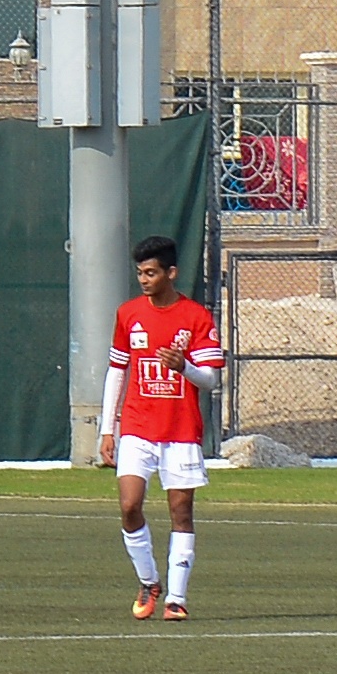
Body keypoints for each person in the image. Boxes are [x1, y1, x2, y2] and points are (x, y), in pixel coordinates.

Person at [108, 234, 224, 621]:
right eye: (140, 273)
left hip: (180, 431)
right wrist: (108, 429)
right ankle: (148, 581)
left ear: (170, 273)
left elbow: (210, 379)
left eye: (151, 273)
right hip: (137, 427)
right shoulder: (128, 314)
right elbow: (117, 370)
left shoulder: (196, 317)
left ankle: (176, 598)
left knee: (181, 512)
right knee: (129, 506)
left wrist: (184, 367)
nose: (144, 279)